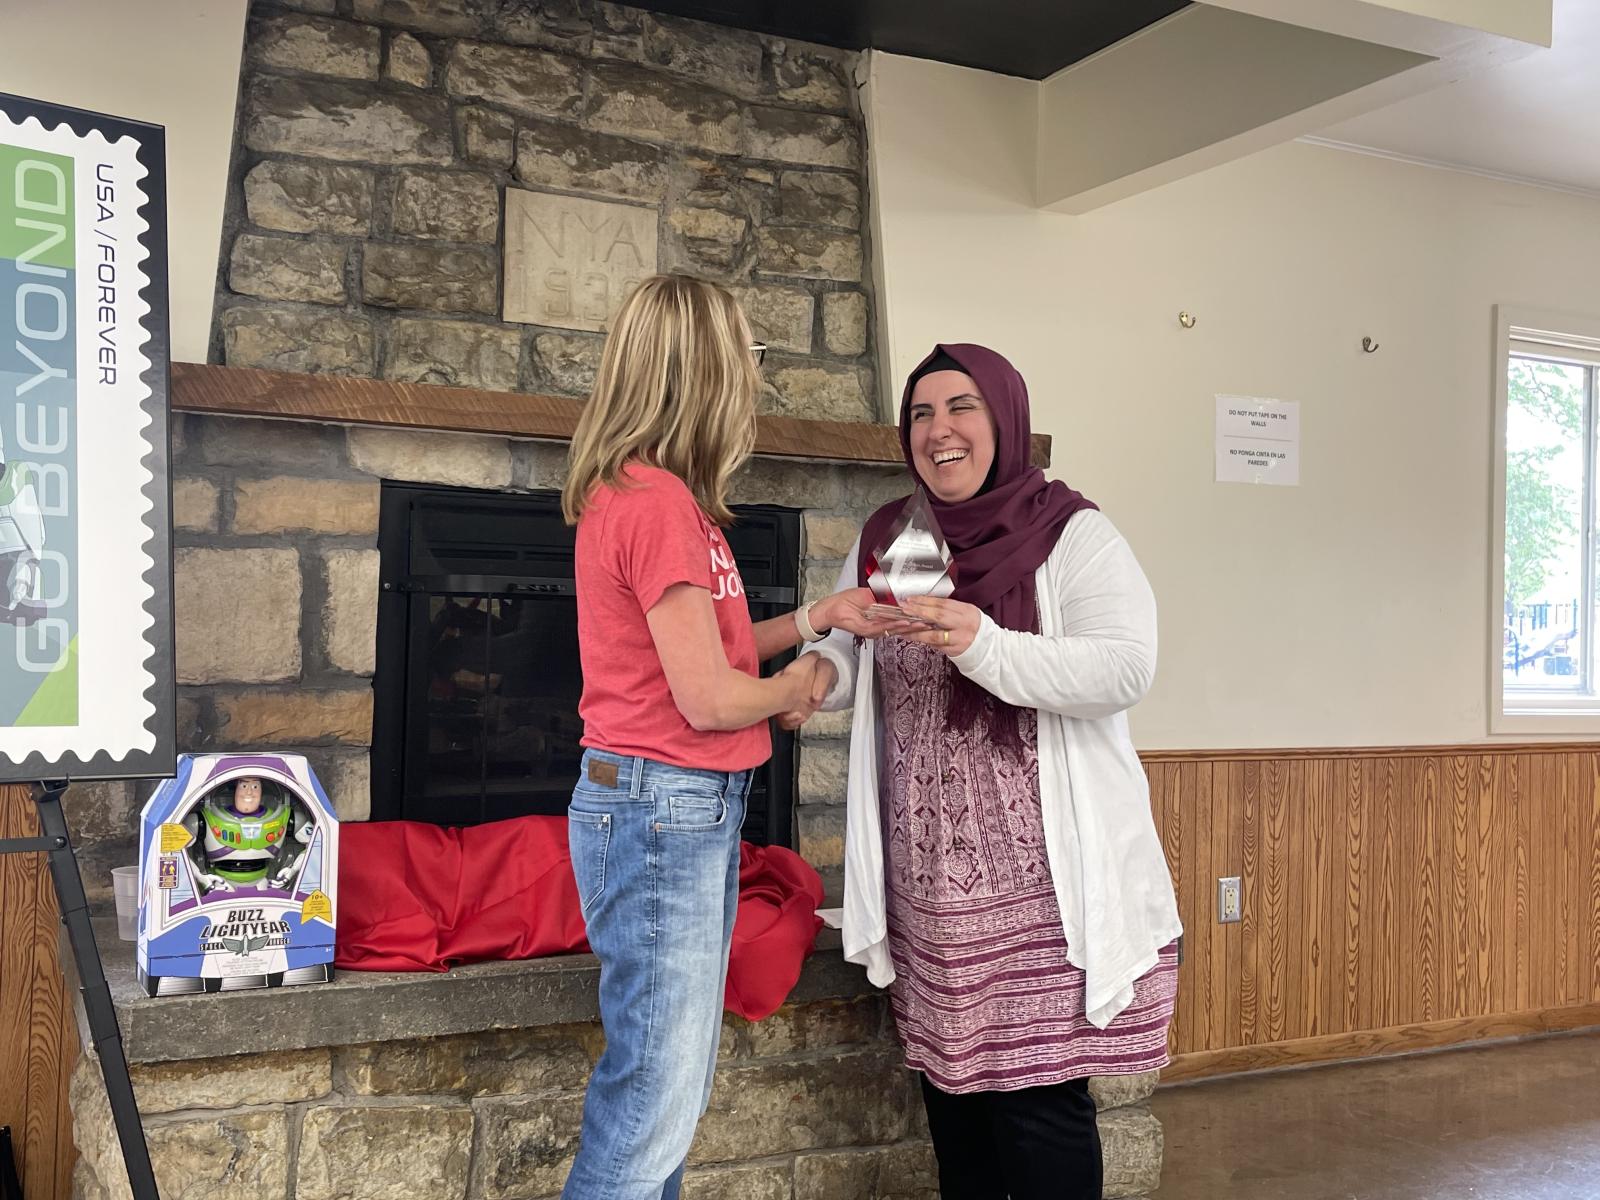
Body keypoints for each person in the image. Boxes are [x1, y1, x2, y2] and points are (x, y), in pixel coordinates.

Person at [792, 344, 1182, 1199]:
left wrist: (986, 644)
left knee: (1039, 1109)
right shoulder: (896, 535)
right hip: (930, 882)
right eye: (922, 414)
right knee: (955, 1106)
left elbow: (1124, 668)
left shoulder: (1072, 533)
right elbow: (859, 638)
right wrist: (820, 673)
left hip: (1044, 887)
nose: (941, 431)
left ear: (1003, 419)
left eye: (961, 408)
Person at [558, 274, 881, 1200]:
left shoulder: (657, 498)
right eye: (747, 350)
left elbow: (708, 654)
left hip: (669, 807)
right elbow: (706, 697)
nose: (754, 370)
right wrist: (792, 687)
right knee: (653, 1099)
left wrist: (817, 618)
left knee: (666, 1093)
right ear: (702, 368)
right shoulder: (656, 505)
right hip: (664, 809)